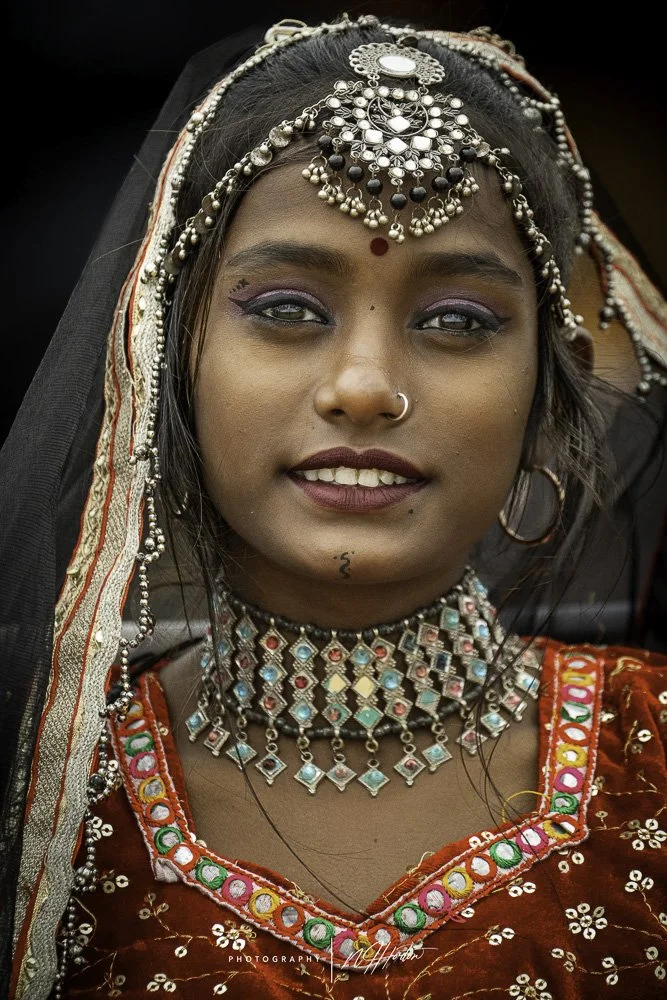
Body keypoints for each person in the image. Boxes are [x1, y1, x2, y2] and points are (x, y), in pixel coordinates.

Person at [2, 14, 666, 1000]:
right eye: (285, 310)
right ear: (166, 366)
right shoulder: (49, 800)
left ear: (546, 392)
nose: (363, 385)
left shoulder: (650, 752)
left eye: (455, 321)